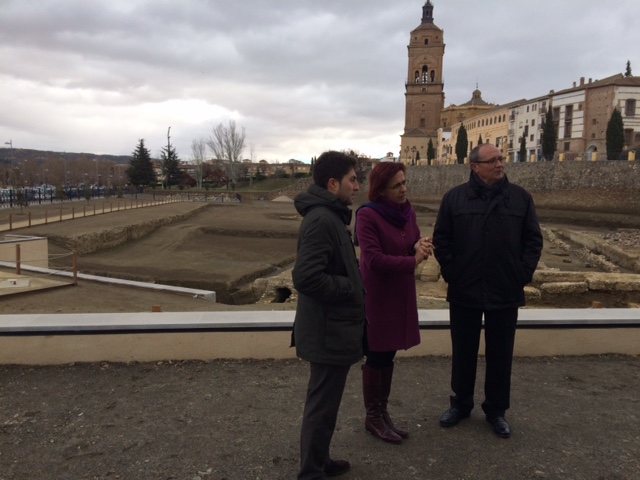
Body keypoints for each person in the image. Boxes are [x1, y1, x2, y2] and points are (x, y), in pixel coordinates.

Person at [432, 143, 543, 439]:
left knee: (500, 354)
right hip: (464, 289)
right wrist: (453, 273)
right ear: (474, 166)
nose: (499, 164)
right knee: (463, 351)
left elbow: (533, 242)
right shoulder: (454, 199)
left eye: (501, 159)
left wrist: (520, 275)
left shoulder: (520, 198)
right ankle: (461, 405)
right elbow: (441, 241)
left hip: (505, 289)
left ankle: (496, 411)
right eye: (492, 160)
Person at [292, 151, 366, 479]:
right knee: (321, 406)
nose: (357, 186)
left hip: (332, 327)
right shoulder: (322, 219)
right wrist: (349, 286)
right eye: (352, 180)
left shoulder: (332, 216)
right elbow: (306, 277)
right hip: (327, 329)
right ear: (333, 183)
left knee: (327, 405)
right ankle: (311, 472)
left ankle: (320, 461)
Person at [355, 162, 432, 444]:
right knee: (376, 354)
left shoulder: (407, 211)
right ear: (381, 190)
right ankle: (373, 416)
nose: (403, 189)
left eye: (404, 182)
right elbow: (373, 260)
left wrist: (418, 245)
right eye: (397, 185)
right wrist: (413, 259)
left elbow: (412, 239)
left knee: (389, 354)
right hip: (378, 296)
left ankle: (382, 413)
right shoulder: (367, 216)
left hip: (401, 292)